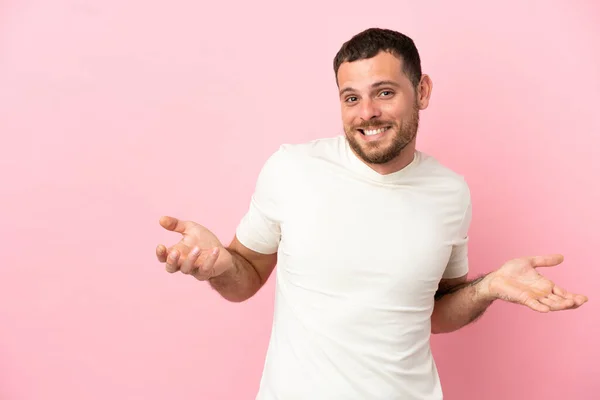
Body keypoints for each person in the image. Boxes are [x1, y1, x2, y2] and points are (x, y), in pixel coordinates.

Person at [155, 27, 588, 400]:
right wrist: (218, 265)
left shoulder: (450, 192)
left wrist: (489, 286)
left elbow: (434, 311)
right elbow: (244, 277)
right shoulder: (292, 169)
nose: (367, 113)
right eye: (351, 97)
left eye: (384, 92)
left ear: (422, 92)